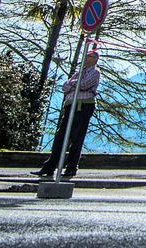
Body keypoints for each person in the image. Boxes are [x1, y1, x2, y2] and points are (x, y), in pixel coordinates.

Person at [35, 49, 101, 178]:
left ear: (95, 59)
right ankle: (50, 166)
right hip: (70, 105)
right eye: (86, 56)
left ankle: (71, 167)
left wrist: (72, 84)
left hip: (84, 105)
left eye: (89, 56)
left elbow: (84, 85)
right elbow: (64, 87)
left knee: (76, 137)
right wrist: (72, 84)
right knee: (61, 137)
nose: (86, 58)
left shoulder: (95, 72)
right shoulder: (79, 72)